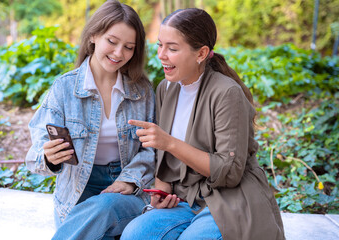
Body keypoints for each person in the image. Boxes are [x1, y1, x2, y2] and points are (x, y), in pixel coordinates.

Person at [121, 7, 285, 240]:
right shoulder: (166, 88)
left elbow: (229, 173)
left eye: (172, 48)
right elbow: (164, 160)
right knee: (134, 235)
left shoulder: (227, 93)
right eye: (160, 45)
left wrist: (169, 143)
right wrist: (161, 189)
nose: (162, 54)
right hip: (184, 197)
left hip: (229, 198)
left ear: (201, 53)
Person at [25, 0, 155, 239]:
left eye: (129, 47)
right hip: (76, 191)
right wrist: (49, 157)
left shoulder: (142, 92)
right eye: (112, 42)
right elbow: (34, 155)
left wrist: (130, 180)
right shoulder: (64, 88)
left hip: (126, 191)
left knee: (104, 207)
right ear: (94, 35)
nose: (119, 53)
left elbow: (152, 150)